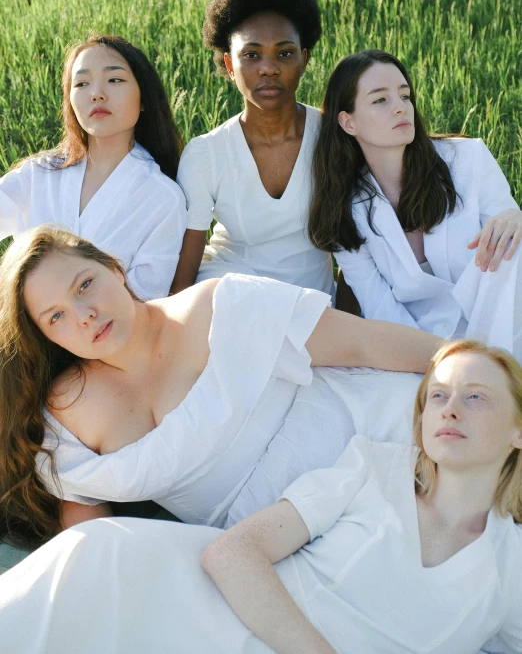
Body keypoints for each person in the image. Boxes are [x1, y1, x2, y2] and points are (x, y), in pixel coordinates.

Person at [1, 340, 521, 654]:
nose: (450, 409)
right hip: (168, 595)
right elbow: (230, 553)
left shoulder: (511, 565)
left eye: (475, 397)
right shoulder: (374, 467)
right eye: (438, 395)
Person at [0, 225, 440, 549]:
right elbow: (89, 535)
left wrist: (469, 365)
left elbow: (360, 344)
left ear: (114, 269)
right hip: (271, 535)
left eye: (85, 285)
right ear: (46, 337)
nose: (83, 314)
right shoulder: (68, 408)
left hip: (363, 430)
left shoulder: (217, 306)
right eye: (55, 316)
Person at [309, 49, 522, 357]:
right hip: (423, 349)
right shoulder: (345, 211)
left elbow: (510, 240)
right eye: (381, 100)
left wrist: (516, 217)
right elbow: (380, 307)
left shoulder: (468, 159)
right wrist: (443, 360)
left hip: (505, 325)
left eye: (404, 96)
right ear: (347, 122)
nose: (400, 108)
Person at [172, 0, 337, 298]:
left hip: (315, 303)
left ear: (303, 60)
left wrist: (350, 325)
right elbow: (187, 263)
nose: (269, 68)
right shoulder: (206, 154)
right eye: (251, 54)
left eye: (285, 53)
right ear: (230, 65)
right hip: (232, 294)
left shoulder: (335, 137)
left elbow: (359, 250)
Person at [0, 34, 187, 300]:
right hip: (21, 331)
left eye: (114, 80)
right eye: (82, 83)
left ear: (144, 98)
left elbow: (143, 302)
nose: (96, 94)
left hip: (104, 336)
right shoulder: (40, 172)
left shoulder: (164, 198)